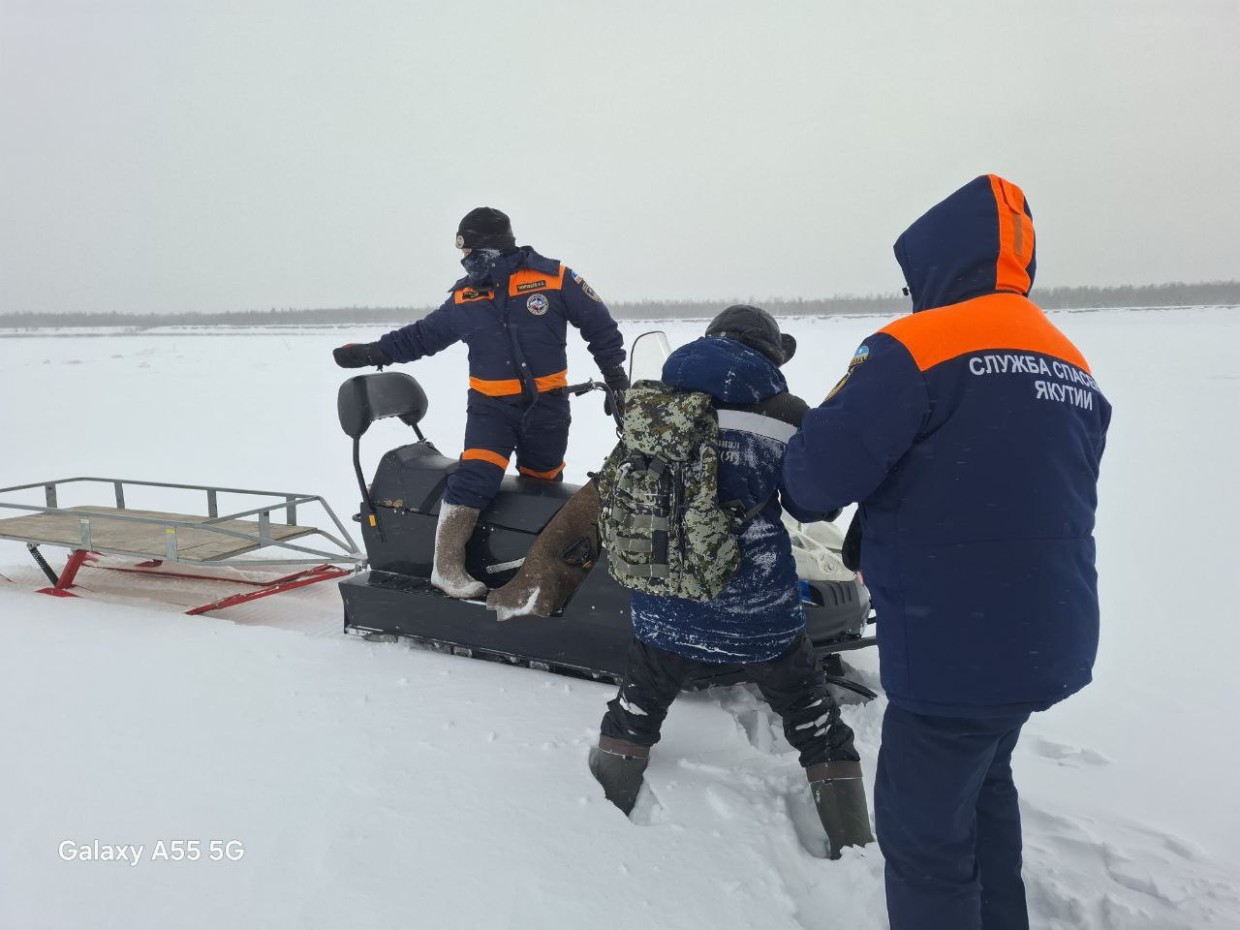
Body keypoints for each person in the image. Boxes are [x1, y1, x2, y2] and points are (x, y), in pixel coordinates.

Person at [783, 176, 1111, 928]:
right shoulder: (1068, 360)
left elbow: (812, 483)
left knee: (925, 839)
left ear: (935, 265)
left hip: (954, 647)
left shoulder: (916, 346)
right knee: (985, 794)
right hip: (1050, 635)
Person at [589, 305, 874, 859]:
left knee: (640, 702)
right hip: (756, 607)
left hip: (663, 594)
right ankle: (852, 840)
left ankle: (604, 801)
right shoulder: (788, 413)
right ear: (770, 353)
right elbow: (813, 505)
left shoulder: (652, 399)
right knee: (810, 712)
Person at [333, 207, 628, 599]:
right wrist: (371, 352)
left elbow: (599, 325)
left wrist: (616, 378)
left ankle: (527, 563)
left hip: (548, 408)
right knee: (475, 478)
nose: (464, 257)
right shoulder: (465, 296)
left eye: (468, 248)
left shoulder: (553, 277)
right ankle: (446, 567)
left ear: (490, 248)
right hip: (492, 410)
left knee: (540, 487)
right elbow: (419, 338)